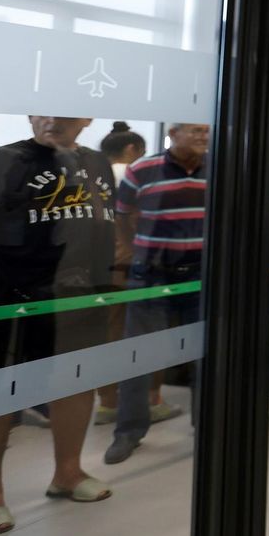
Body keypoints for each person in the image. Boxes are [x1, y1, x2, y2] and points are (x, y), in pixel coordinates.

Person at [0, 116, 117, 536]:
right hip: (11, 300)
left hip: (81, 294)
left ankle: (68, 473)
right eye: (42, 109)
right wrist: (14, 270)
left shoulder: (96, 162)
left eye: (64, 110)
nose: (51, 119)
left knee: (76, 383)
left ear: (86, 117)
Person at [105, 122, 211, 465]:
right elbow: (122, 216)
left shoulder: (219, 168)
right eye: (194, 129)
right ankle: (128, 432)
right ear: (173, 133)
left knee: (205, 354)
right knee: (138, 354)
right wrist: (141, 251)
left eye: (205, 130)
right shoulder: (143, 169)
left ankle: (207, 426)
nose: (202, 136)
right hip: (151, 274)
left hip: (202, 276)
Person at [92, 120, 178, 427]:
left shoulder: (89, 175)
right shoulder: (141, 175)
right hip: (136, 264)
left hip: (96, 268)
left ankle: (107, 403)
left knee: (108, 334)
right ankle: (152, 400)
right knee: (150, 333)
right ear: (132, 149)